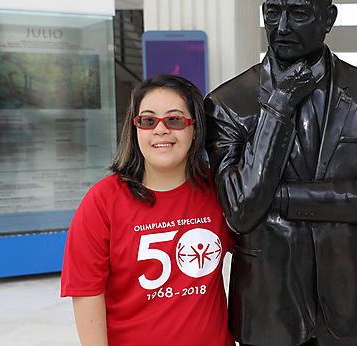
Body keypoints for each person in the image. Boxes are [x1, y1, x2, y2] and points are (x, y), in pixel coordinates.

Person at [205, 0, 357, 345]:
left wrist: (277, 197)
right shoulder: (227, 103)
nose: (281, 27)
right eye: (272, 12)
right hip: (267, 301)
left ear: (327, 17)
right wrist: (279, 106)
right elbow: (242, 210)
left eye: (297, 13)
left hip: (352, 300)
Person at [61, 75, 234, 346]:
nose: (160, 129)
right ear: (135, 129)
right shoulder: (102, 201)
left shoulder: (221, 190)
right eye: (148, 120)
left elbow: (262, 256)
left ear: (195, 128)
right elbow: (86, 291)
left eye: (174, 120)